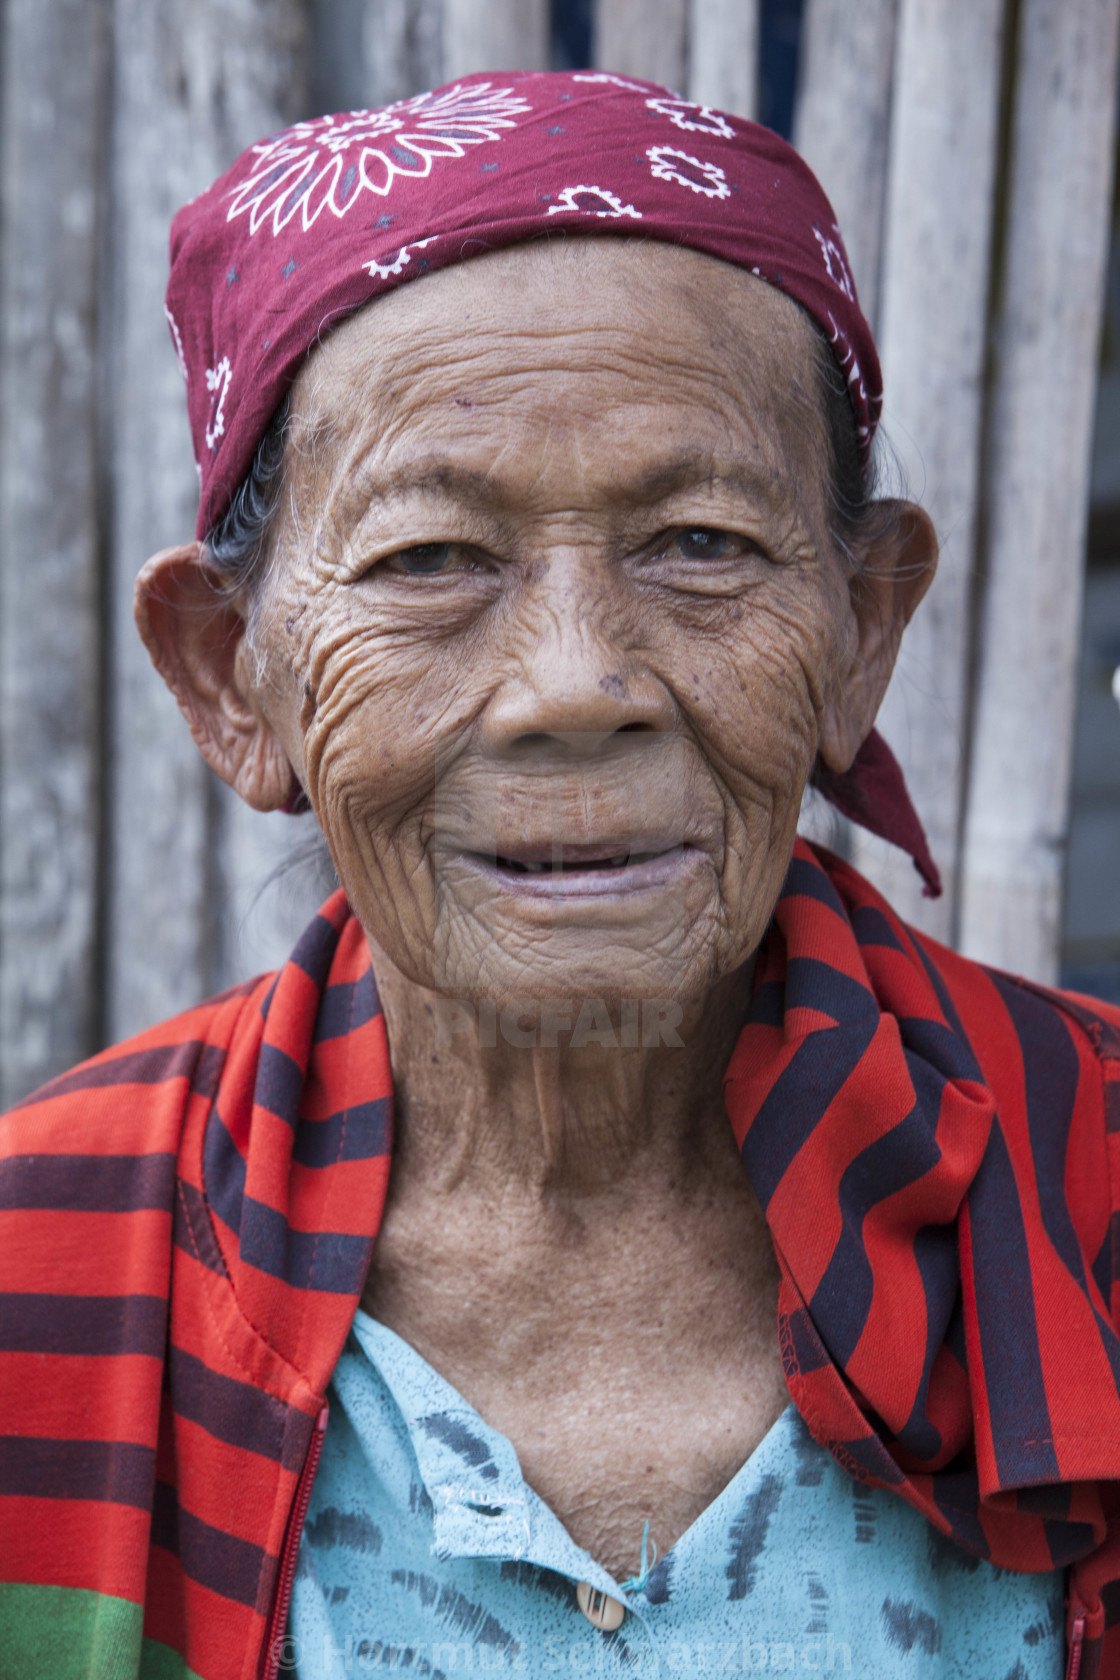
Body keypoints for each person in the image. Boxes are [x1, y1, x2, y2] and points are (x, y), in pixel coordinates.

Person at [2, 69, 1119, 1680]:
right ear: (234, 675)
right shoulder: (38, 1272)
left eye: (704, 545)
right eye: (429, 561)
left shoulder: (1093, 1201)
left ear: (862, 630)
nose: (574, 684)